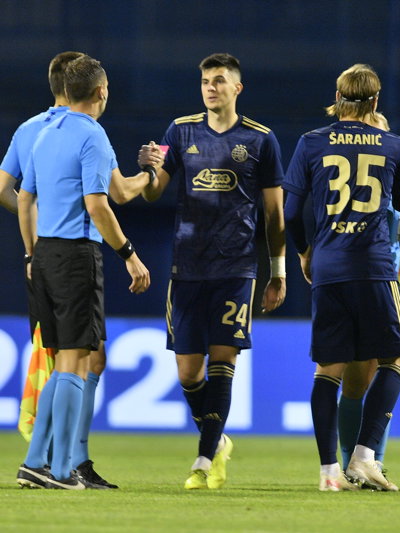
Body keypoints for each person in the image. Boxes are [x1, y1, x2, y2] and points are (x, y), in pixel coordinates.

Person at [9, 51, 161, 490]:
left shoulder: (43, 133)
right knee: (77, 363)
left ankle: (35, 462)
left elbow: (24, 198)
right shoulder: (92, 135)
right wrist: (128, 253)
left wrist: (31, 254)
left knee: (63, 363)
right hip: (77, 256)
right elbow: (100, 203)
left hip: (45, 255)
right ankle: (60, 471)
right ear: (101, 91)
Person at [140, 53, 286, 490]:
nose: (210, 87)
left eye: (219, 80)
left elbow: (274, 213)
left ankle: (203, 460)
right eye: (205, 80)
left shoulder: (261, 140)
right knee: (189, 372)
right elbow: (153, 193)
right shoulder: (179, 131)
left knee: (223, 359)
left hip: (236, 267)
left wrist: (277, 270)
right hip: (187, 266)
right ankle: (218, 440)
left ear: (237, 88)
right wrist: (149, 169)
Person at [282, 64, 400, 492]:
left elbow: (289, 212)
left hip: (329, 267)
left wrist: (305, 252)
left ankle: (329, 473)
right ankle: (364, 455)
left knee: (328, 371)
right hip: (374, 267)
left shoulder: (310, 142)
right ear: (375, 101)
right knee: (396, 359)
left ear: (337, 97)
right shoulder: (394, 145)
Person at [336, 111, 400, 479]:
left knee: (388, 365)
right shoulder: (351, 184)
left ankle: (373, 460)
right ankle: (350, 462)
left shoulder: (393, 178)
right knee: (357, 379)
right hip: (358, 279)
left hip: (392, 281)